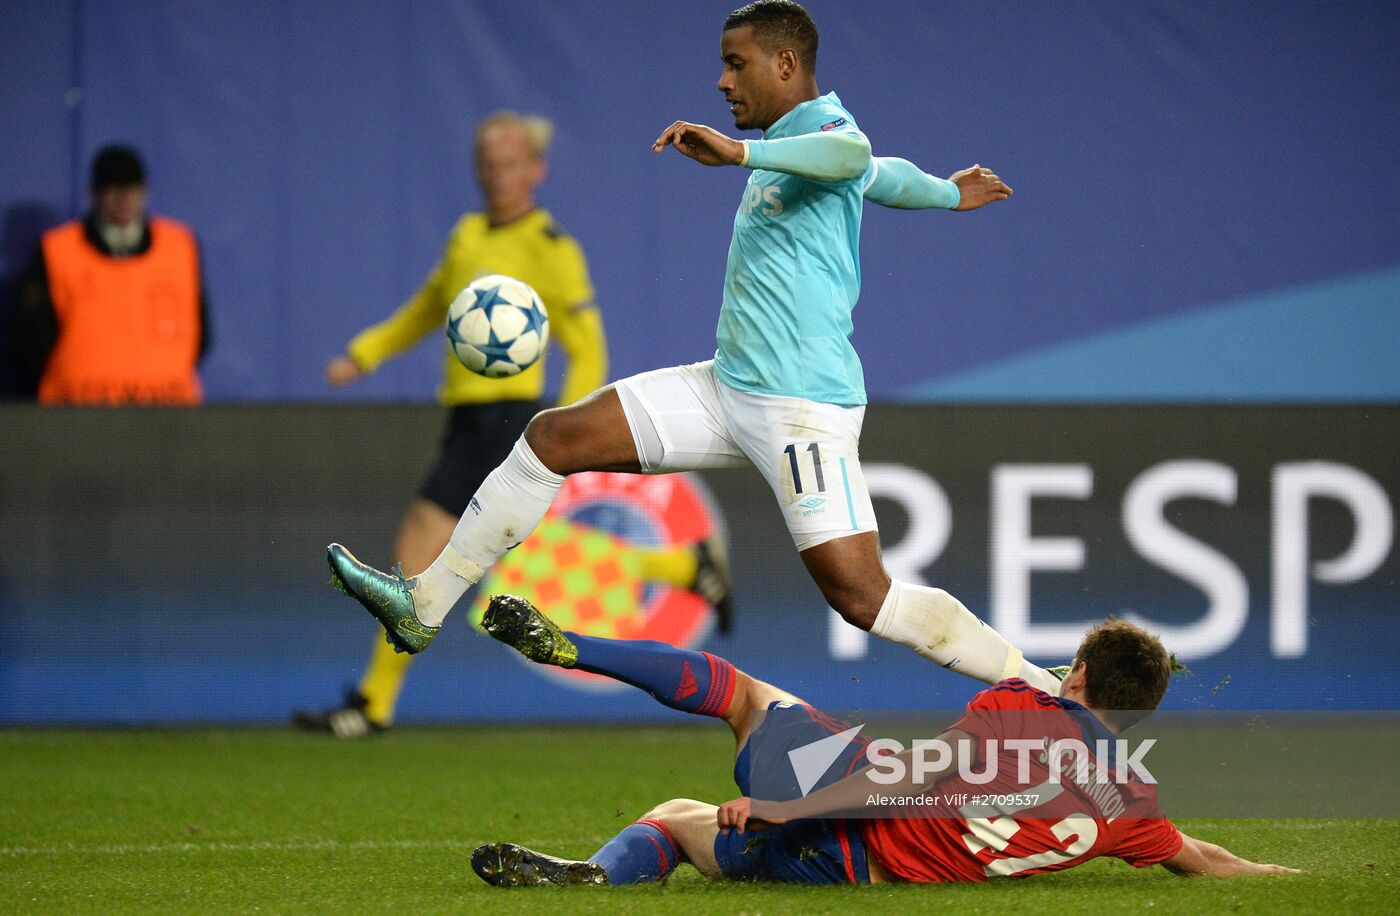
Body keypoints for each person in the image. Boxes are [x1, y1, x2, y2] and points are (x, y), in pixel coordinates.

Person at [325, 0, 1037, 695]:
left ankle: (1040, 687)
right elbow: (882, 173)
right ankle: (423, 606)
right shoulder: (801, 147)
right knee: (552, 438)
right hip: (727, 390)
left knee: (864, 598)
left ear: (786, 64)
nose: (723, 82)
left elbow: (851, 152)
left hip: (801, 410)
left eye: (737, 64)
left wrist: (738, 151)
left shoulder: (821, 130)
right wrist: (946, 192)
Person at [298, 112, 733, 737]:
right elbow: (428, 308)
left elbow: (588, 344)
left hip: (514, 419)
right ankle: (685, 569)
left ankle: (372, 704)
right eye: (488, 163)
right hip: (464, 418)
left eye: (510, 163)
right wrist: (364, 353)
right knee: (502, 560)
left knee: (430, 552)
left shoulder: (550, 248)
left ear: (536, 170)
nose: (498, 175)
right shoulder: (467, 236)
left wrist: (568, 426)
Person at [468, 596, 1298, 886]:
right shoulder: (1133, 804)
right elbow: (1201, 856)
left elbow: (908, 783)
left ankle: (578, 650)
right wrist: (1276, 875)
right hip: (887, 845)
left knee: (731, 723)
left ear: (1076, 674)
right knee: (697, 797)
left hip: (852, 831)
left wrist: (778, 806)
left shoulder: (1022, 710)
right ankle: (602, 870)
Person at [14, 145, 210, 405]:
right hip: (78, 414)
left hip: (166, 414)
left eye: (132, 188)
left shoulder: (180, 245)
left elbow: (200, 329)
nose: (124, 198)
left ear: (145, 192)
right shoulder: (57, 251)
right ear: (94, 194)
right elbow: (30, 340)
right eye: (113, 189)